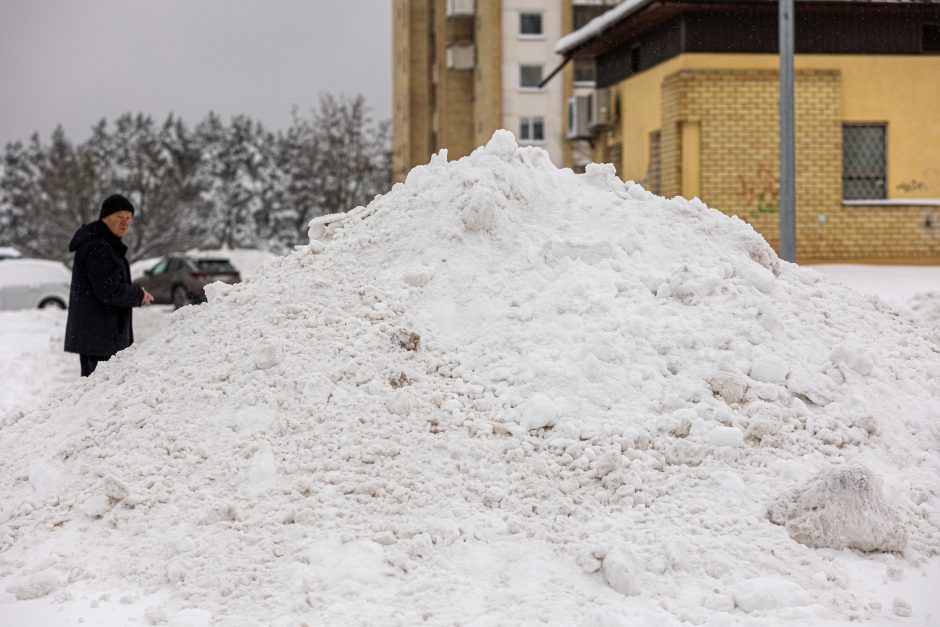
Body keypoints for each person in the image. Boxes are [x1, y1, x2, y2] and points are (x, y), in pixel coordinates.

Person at [64, 194, 154, 377]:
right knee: (100, 396)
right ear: (105, 217)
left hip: (101, 338)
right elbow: (109, 291)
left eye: (129, 218)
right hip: (99, 339)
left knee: (103, 396)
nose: (125, 222)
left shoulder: (107, 245)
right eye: (119, 217)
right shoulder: (98, 247)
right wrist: (138, 295)